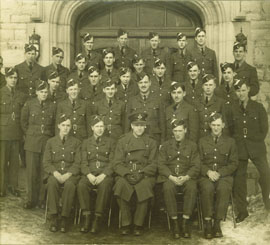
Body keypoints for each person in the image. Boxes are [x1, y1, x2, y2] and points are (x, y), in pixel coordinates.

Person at [231, 79, 270, 223]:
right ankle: (242, 211)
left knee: (266, 173)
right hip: (239, 147)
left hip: (256, 147)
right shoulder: (233, 108)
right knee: (239, 178)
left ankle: (268, 202)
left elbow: (264, 129)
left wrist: (254, 140)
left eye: (243, 90)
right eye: (238, 91)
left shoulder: (258, 107)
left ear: (248, 90)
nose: (241, 93)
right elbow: (229, 129)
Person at [113, 112, 157, 236]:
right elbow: (117, 162)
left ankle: (138, 224)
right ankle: (126, 223)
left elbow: (154, 164)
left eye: (142, 125)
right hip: (127, 173)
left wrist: (142, 173)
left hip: (144, 174)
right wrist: (126, 174)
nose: (139, 128)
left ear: (145, 126)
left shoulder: (151, 142)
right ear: (131, 126)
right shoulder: (123, 140)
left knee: (144, 186)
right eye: (136, 125)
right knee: (121, 185)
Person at [198, 112, 238, 239]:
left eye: (218, 125)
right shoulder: (202, 141)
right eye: (213, 125)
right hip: (206, 175)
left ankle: (217, 223)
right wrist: (208, 172)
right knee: (207, 188)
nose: (216, 128)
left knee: (223, 188)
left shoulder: (230, 142)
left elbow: (234, 163)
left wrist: (220, 173)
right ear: (210, 125)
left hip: (224, 176)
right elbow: (197, 162)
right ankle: (208, 222)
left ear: (223, 125)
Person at [158, 119, 200, 239]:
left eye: (180, 131)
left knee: (192, 187)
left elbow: (196, 165)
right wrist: (171, 177)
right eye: (175, 131)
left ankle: (185, 223)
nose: (177, 133)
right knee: (167, 188)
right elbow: (160, 164)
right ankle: (175, 223)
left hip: (187, 177)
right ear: (172, 131)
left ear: (185, 131)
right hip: (170, 177)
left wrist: (186, 177)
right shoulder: (165, 146)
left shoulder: (192, 146)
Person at [21, 79, 56, 209]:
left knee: (44, 172)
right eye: (41, 92)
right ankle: (30, 199)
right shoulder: (29, 104)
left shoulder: (52, 105)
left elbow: (53, 125)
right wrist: (31, 134)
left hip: (46, 143)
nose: (44, 94)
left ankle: (42, 199)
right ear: (36, 92)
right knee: (31, 173)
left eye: (46, 92)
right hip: (32, 143)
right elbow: (23, 122)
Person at [43, 114, 81, 233]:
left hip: (70, 175)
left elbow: (78, 162)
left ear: (71, 127)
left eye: (68, 125)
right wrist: (55, 173)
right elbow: (46, 162)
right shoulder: (50, 142)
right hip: (55, 173)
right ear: (58, 126)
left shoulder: (77, 142)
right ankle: (53, 216)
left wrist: (68, 174)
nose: (65, 128)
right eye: (63, 125)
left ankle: (64, 217)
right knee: (52, 183)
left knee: (70, 185)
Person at [77, 115, 115, 234]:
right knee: (81, 185)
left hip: (104, 175)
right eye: (97, 126)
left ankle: (97, 219)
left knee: (104, 186)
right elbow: (83, 162)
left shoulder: (111, 142)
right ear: (92, 127)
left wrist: (103, 175)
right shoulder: (86, 142)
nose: (100, 129)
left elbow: (113, 162)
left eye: (102, 126)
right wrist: (89, 175)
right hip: (90, 174)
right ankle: (87, 217)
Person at [0, 68, 27, 197]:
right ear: (6, 78)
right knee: (2, 161)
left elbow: (23, 115)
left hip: (16, 132)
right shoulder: (1, 93)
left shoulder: (21, 95)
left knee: (14, 162)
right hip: (3, 132)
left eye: (15, 78)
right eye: (11, 77)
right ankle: (1, 187)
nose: (13, 80)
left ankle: (13, 186)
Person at [126, 72, 165, 144]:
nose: (143, 85)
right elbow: (127, 124)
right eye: (140, 83)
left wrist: (162, 142)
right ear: (137, 84)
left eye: (146, 82)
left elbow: (162, 123)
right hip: (137, 139)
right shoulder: (132, 100)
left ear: (150, 83)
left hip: (154, 138)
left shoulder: (158, 100)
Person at [193, 74, 227, 138]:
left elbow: (224, 125)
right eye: (206, 85)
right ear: (202, 86)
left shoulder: (220, 102)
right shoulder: (196, 102)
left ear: (214, 86)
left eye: (210, 85)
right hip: (199, 138)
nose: (208, 87)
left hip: (214, 138)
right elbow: (193, 125)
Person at [215, 62, 238, 134]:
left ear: (234, 73)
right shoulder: (218, 90)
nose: (226, 75)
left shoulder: (239, 89)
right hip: (224, 125)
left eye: (229, 72)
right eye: (224, 73)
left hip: (236, 122)